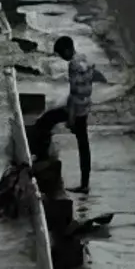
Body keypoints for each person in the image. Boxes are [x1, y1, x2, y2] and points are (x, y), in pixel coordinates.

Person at [33, 35, 95, 192]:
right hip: (85, 106)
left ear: (67, 50)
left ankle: (42, 159)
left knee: (45, 121)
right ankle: (85, 183)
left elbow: (74, 93)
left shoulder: (73, 65)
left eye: (61, 54)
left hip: (77, 109)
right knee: (83, 145)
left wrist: (71, 118)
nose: (62, 57)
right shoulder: (85, 59)